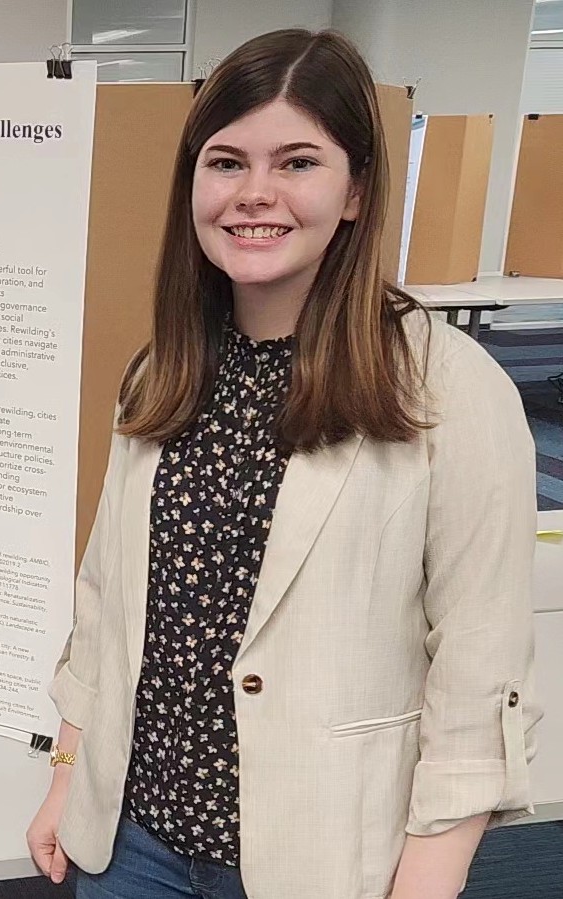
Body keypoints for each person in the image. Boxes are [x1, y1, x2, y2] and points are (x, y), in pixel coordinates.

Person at [26, 28, 540, 899]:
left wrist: (428, 878)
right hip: (132, 842)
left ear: (354, 192)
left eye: (297, 162)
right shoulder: (162, 372)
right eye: (225, 162)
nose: (253, 194)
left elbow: (479, 667)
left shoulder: (446, 389)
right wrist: (66, 779)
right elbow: (105, 602)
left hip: (321, 856)